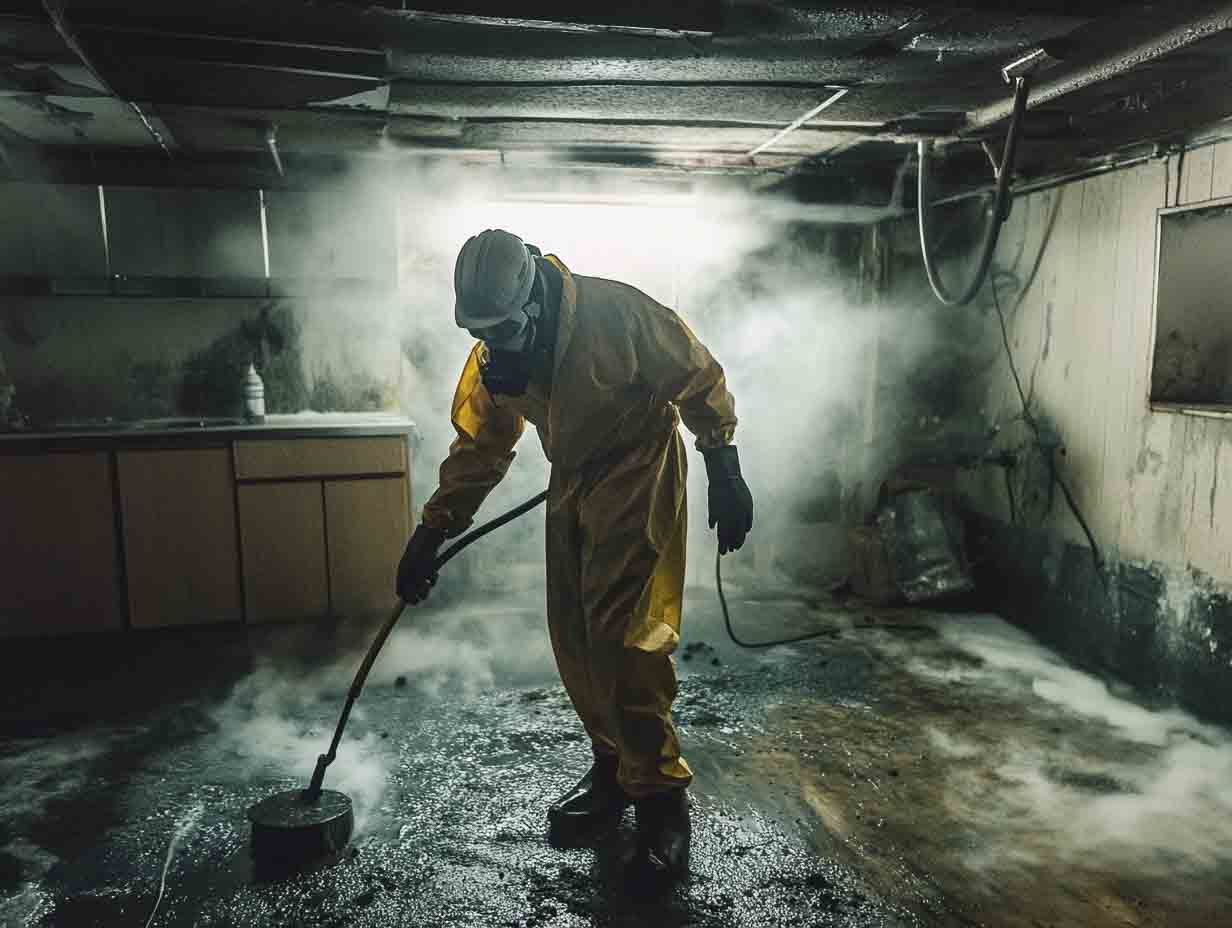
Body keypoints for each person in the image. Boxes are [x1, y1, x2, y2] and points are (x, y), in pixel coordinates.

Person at [397, 229, 753, 884]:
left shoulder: (617, 314)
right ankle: (613, 765)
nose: (493, 346)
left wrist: (723, 465)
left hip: (639, 470)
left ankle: (661, 801)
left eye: (504, 331)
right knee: (576, 635)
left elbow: (697, 377)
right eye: (480, 333)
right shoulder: (497, 352)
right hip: (574, 481)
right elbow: (480, 446)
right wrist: (432, 530)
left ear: (533, 302)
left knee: (622, 639)